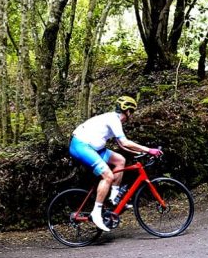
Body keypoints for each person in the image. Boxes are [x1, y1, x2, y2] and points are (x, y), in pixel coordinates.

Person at [69, 96, 162, 232]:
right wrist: (149, 150)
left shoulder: (113, 118)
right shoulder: (114, 120)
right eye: (132, 112)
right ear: (128, 112)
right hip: (81, 146)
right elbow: (125, 142)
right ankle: (96, 213)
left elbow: (122, 146)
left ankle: (113, 197)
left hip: (94, 147)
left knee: (120, 160)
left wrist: (139, 153)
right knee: (108, 176)